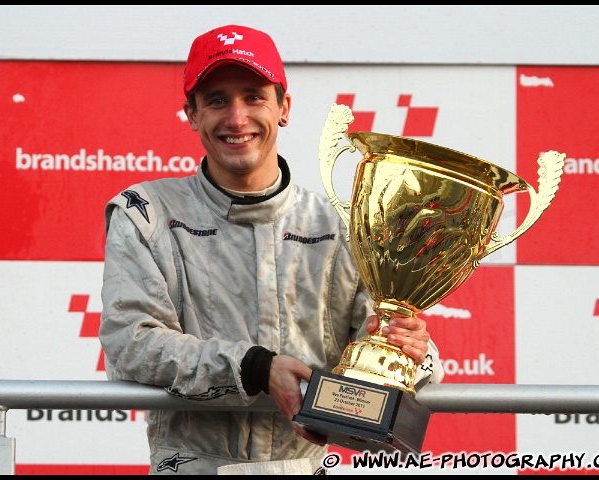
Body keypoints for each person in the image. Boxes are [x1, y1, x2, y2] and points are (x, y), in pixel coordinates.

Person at [99, 24, 444, 475]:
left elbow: (397, 359)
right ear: (192, 114)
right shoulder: (144, 212)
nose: (236, 118)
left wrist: (411, 348)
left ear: (284, 107)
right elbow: (131, 344)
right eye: (217, 100)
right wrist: (256, 368)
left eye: (253, 96)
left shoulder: (342, 225)